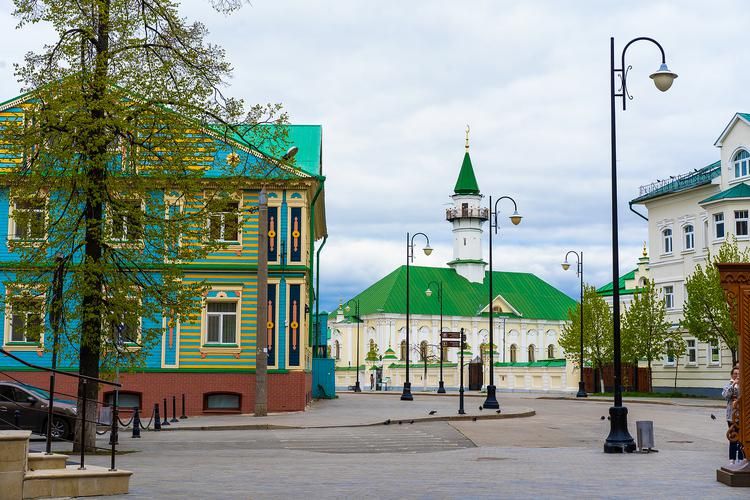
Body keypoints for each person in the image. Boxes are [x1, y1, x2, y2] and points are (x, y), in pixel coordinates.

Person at [722, 366, 744, 464]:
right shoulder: (728, 385)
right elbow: (726, 396)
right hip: (731, 416)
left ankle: (741, 458)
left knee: (741, 438)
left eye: (739, 374)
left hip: (742, 416)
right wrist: (733, 385)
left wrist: (739, 386)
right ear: (732, 375)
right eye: (735, 373)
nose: (737, 375)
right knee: (732, 437)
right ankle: (732, 459)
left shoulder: (743, 386)